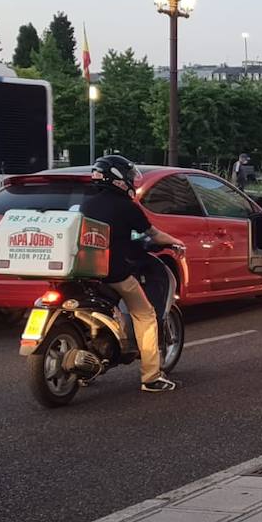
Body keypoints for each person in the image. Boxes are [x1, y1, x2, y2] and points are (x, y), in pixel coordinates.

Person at [79, 155, 186, 393]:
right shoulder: (125, 206)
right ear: (118, 179)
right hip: (114, 273)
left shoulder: (86, 203)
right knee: (145, 315)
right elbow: (153, 235)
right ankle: (151, 377)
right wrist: (175, 241)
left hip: (83, 273)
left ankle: (87, 367)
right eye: (128, 177)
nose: (130, 182)